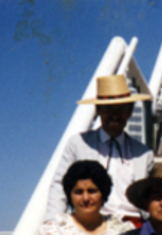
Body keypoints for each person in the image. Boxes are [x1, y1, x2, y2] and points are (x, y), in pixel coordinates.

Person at [46, 74, 154, 225]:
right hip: (91, 223)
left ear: (130, 112)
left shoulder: (143, 153)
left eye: (121, 108)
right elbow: (59, 184)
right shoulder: (78, 144)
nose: (114, 115)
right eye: (108, 108)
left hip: (133, 226)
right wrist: (52, 222)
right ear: (98, 110)